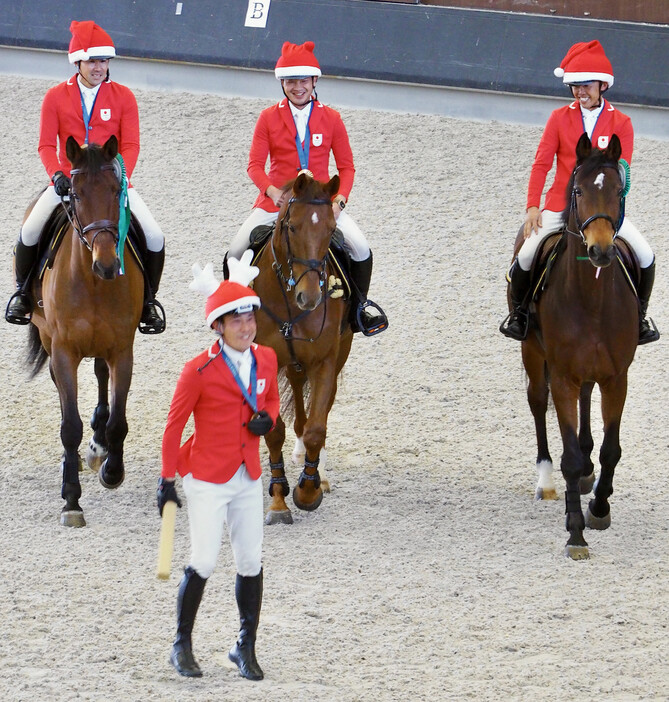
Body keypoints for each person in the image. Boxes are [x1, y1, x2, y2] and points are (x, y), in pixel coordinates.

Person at [157, 251, 280, 680]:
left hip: (248, 472)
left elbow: (270, 400)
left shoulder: (266, 359)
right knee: (204, 560)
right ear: (219, 326)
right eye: (237, 320)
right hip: (206, 476)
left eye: (250, 317)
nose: (247, 327)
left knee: (251, 560)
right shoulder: (198, 370)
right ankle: (181, 644)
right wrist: (165, 480)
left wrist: (270, 419)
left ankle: (244, 645)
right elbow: (173, 427)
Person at [5, 20, 166, 334]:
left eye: (104, 61)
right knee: (29, 231)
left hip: (111, 185)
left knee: (155, 236)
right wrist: (56, 175)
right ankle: (23, 294)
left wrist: (121, 176)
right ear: (77, 61)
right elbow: (46, 144)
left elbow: (131, 144)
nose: (99, 67)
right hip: (69, 183)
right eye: (93, 61)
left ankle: (148, 302)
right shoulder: (55, 97)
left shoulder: (123, 97)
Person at [500, 39, 659, 344]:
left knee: (646, 256)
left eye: (586, 85)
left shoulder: (621, 123)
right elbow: (541, 163)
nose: (580, 92)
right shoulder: (559, 118)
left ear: (602, 85)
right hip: (561, 204)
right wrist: (533, 206)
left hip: (602, 209)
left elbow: (623, 171)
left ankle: (638, 319)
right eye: (574, 86)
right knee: (526, 254)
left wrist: (615, 187)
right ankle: (519, 315)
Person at [228, 40, 388, 336]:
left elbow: (347, 167)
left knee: (361, 249)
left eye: (303, 80)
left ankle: (359, 311)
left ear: (314, 81)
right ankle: (232, 314)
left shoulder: (332, 118)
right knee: (235, 252)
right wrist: (272, 192)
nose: (297, 87)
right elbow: (253, 165)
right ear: (282, 83)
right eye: (290, 81)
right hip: (277, 205)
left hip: (320, 205)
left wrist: (339, 201)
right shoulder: (268, 117)